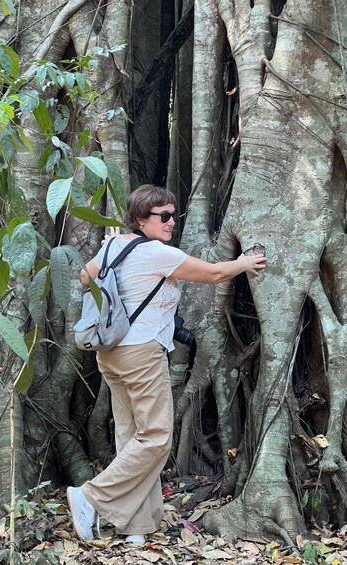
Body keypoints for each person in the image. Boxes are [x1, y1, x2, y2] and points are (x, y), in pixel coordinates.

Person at [67, 184, 266, 545]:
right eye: (163, 216)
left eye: (174, 214)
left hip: (109, 354)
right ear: (141, 218)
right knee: (157, 439)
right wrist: (243, 263)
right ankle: (90, 496)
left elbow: (85, 276)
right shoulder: (157, 253)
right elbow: (213, 274)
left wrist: (105, 252)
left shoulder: (113, 244)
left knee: (131, 437)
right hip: (141, 354)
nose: (171, 221)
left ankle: (135, 526)